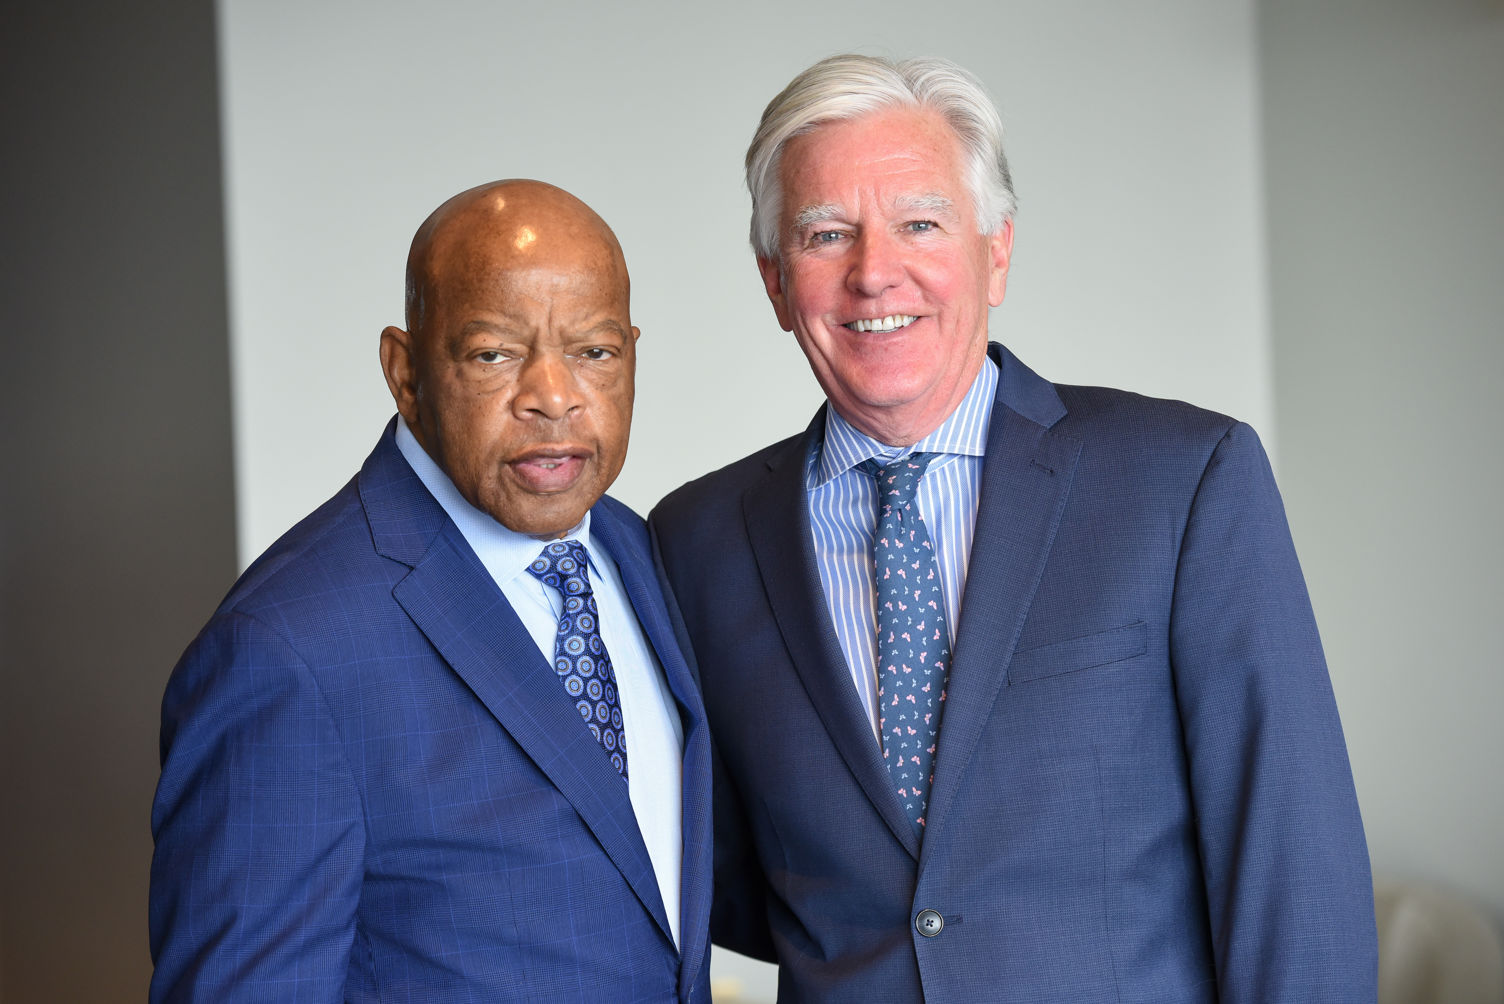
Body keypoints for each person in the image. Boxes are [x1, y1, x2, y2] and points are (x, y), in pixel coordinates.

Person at [650, 54, 1376, 1001]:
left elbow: (1293, 872)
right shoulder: (695, 542)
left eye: (921, 223)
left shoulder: (1184, 480)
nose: (876, 273)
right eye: (826, 234)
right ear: (777, 284)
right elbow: (727, 879)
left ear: (995, 250)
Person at [150, 180, 712, 1002]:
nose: (553, 397)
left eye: (595, 351)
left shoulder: (639, 550)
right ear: (405, 373)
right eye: (494, 354)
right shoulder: (286, 652)